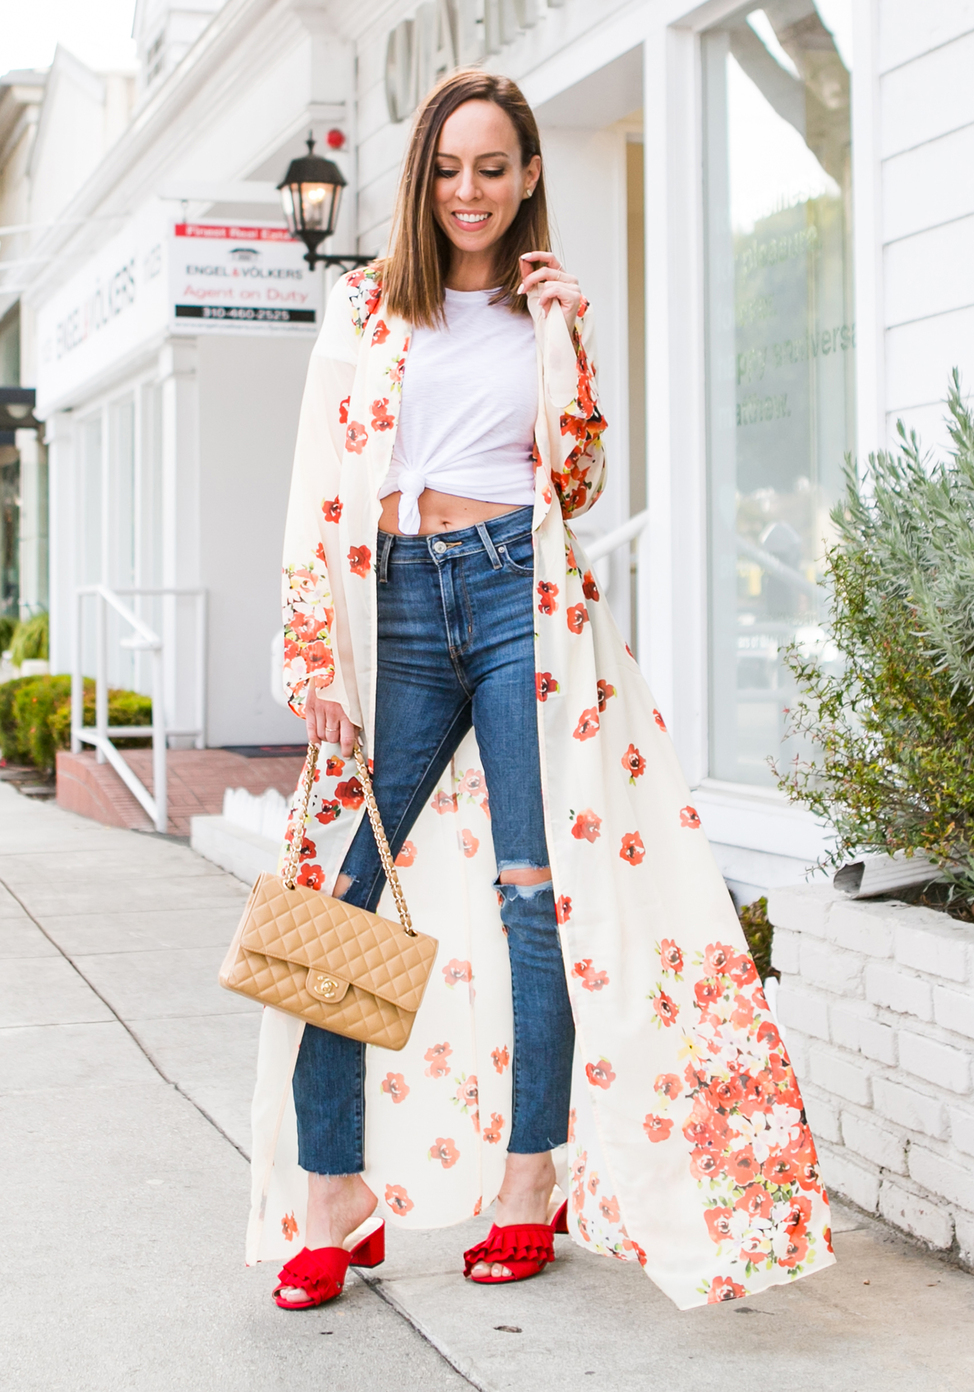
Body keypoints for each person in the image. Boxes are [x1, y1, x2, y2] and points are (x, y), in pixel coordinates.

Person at [253, 68, 835, 1313]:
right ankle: (333, 1196)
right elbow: (317, 485)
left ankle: (531, 1183)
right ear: (426, 180)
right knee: (343, 898)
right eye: (450, 168)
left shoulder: (543, 310)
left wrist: (569, 338)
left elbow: (573, 485)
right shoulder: (361, 308)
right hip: (398, 607)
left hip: (522, 599)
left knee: (537, 899)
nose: (471, 190)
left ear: (525, 178)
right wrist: (315, 662)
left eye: (493, 168)